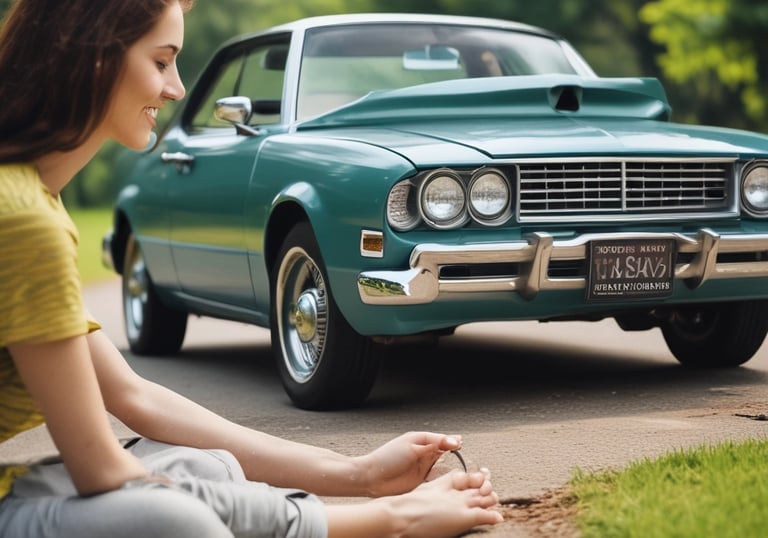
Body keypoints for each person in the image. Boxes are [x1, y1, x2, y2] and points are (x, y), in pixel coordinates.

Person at [0, 1, 504, 536]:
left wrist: (360, 474)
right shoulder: (25, 218)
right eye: (162, 61)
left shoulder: (30, 197)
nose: (176, 89)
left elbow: (134, 397)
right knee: (171, 518)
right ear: (97, 58)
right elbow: (103, 472)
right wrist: (391, 519)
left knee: (208, 466)